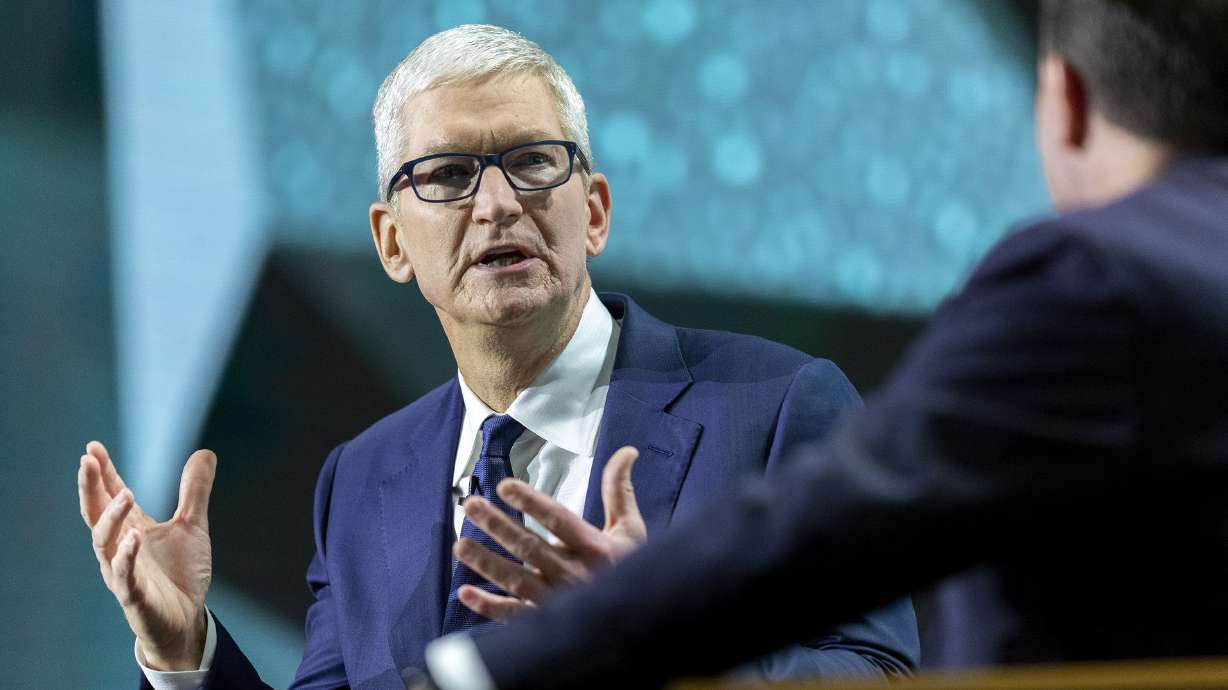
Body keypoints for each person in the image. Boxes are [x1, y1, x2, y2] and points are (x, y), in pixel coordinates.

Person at [76, 24, 917, 690]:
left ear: (594, 212)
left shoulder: (775, 405)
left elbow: (877, 676)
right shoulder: (361, 478)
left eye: (532, 162)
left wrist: (650, 631)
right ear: (392, 242)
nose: (497, 203)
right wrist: (184, 651)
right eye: (447, 174)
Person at [430, 2, 1228, 688]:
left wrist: (487, 670)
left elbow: (845, 523)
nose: (495, 205)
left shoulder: (1096, 278)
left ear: (1066, 100)